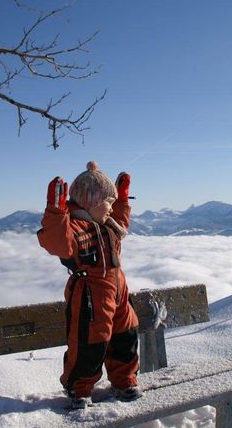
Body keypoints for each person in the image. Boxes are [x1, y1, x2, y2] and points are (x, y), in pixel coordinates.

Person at [37, 161, 142, 410]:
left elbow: (120, 219)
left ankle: (124, 380)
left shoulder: (108, 224)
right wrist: (55, 211)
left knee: (124, 337)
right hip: (90, 295)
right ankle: (79, 387)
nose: (112, 208)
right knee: (89, 341)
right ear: (91, 202)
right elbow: (56, 242)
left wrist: (123, 199)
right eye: (108, 201)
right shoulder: (74, 226)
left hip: (118, 291)